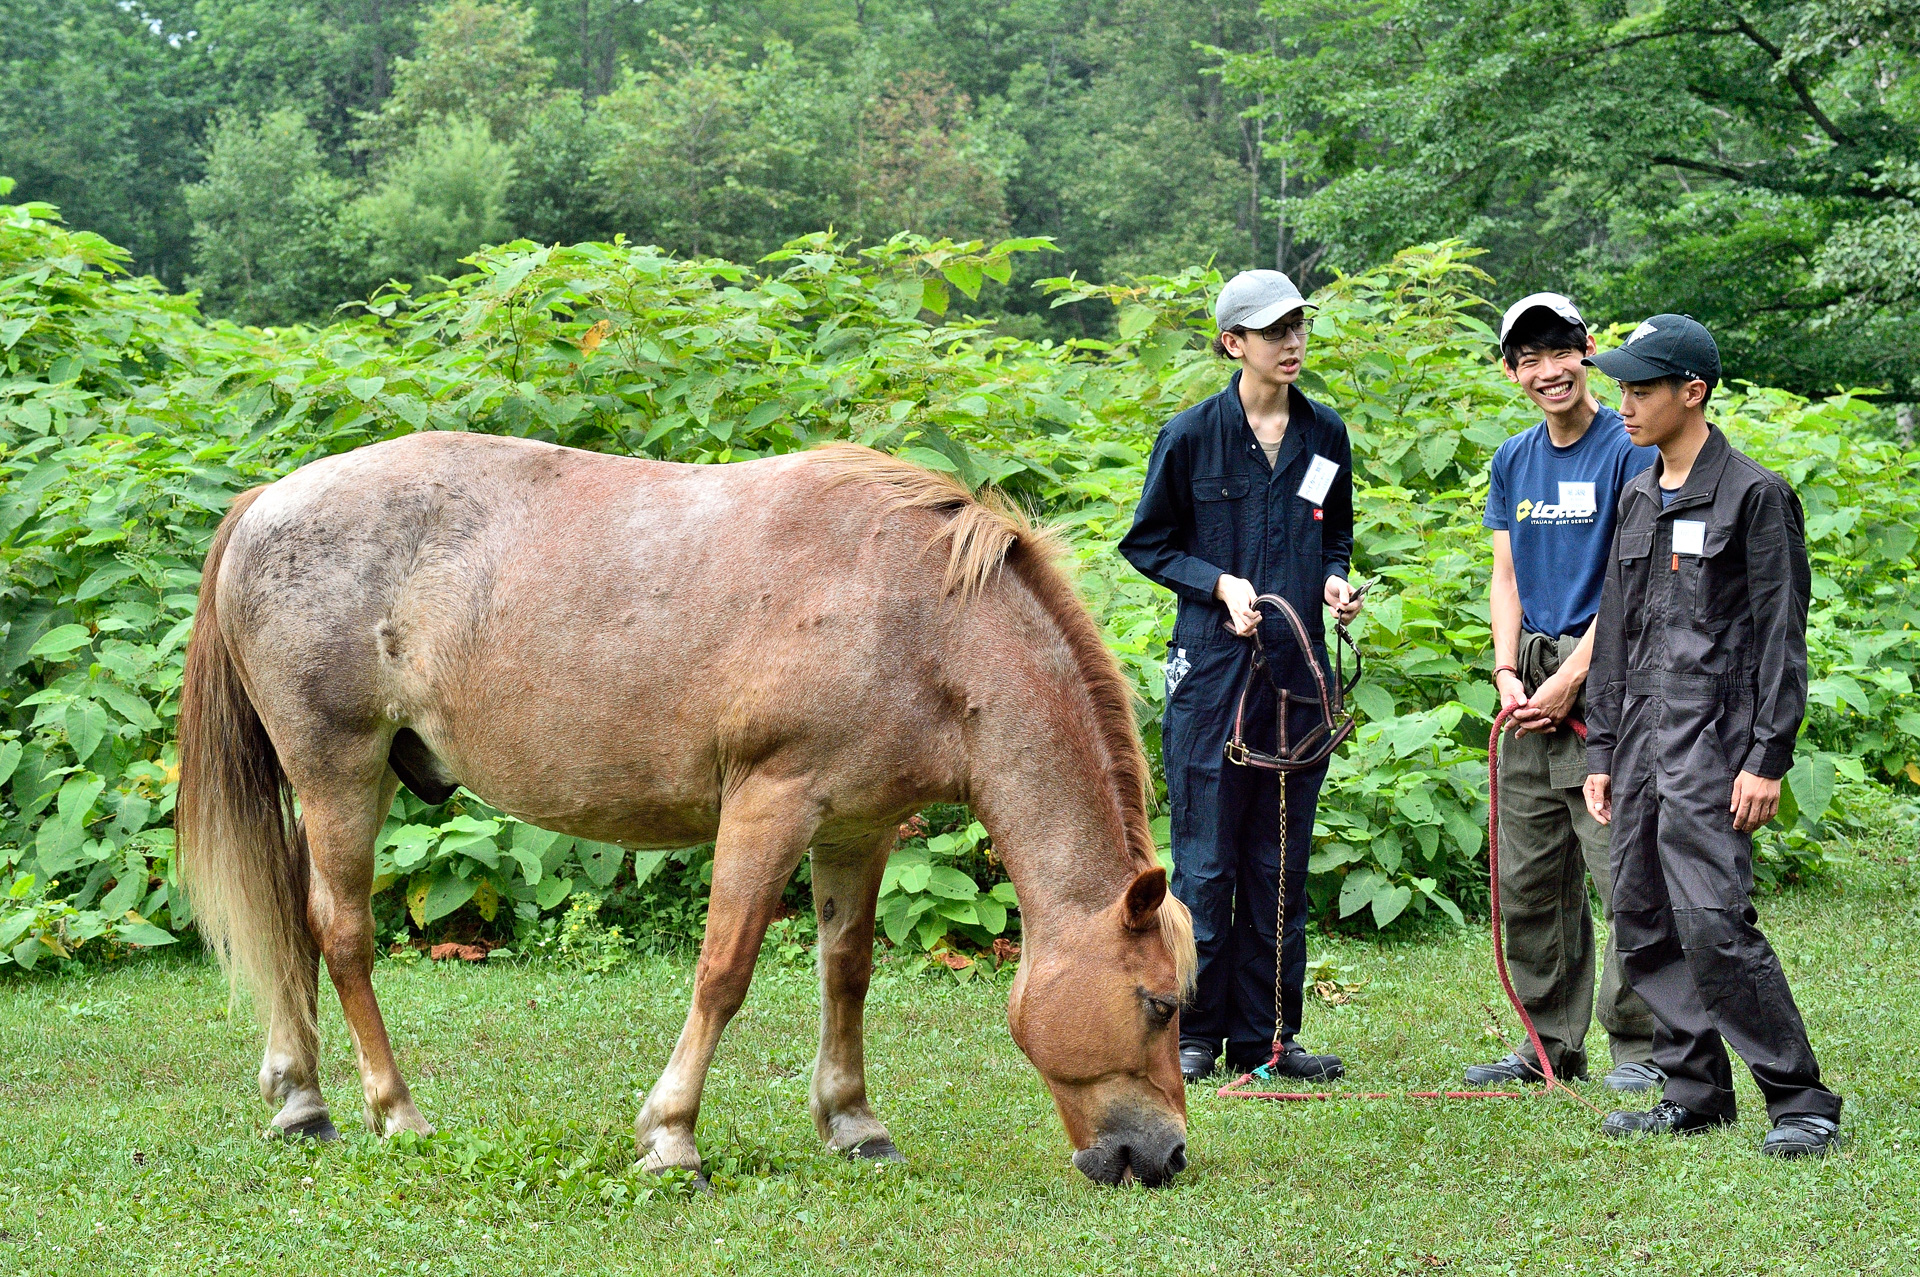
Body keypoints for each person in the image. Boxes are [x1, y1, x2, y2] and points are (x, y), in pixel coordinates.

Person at [1581, 314, 1842, 1157]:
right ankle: (1694, 1091)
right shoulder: (1637, 492)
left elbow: (1781, 642)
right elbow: (1614, 634)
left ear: (1692, 392)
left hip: (1715, 743)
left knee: (1714, 921)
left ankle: (1800, 1099)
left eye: (1641, 388)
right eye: (1620, 386)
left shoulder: (1755, 496)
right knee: (1641, 916)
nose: (1623, 402)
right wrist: (1602, 749)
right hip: (1638, 745)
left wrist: (1768, 757)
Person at [1120, 269, 1363, 1084]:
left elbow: (1334, 538)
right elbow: (1148, 543)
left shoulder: (1325, 435)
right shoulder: (1190, 436)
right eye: (1272, 332)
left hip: (1297, 677)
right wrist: (1217, 583)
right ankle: (1194, 1032)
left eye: (1298, 327)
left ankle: (1270, 1037)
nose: (1291, 343)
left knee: (1278, 862)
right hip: (1212, 678)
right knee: (1207, 861)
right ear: (1234, 343)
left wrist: (1333, 581)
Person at [1463, 294, 1664, 1093]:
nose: (1547, 371)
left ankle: (1645, 1046)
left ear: (1588, 350)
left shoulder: (1628, 448)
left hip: (1606, 674)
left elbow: (1632, 578)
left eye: (1559, 352)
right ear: (1511, 371)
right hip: (1530, 685)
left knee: (1624, 870)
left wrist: (1574, 677)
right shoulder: (1514, 458)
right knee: (1528, 876)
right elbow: (1505, 571)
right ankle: (1548, 1042)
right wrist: (1509, 672)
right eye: (1527, 359)